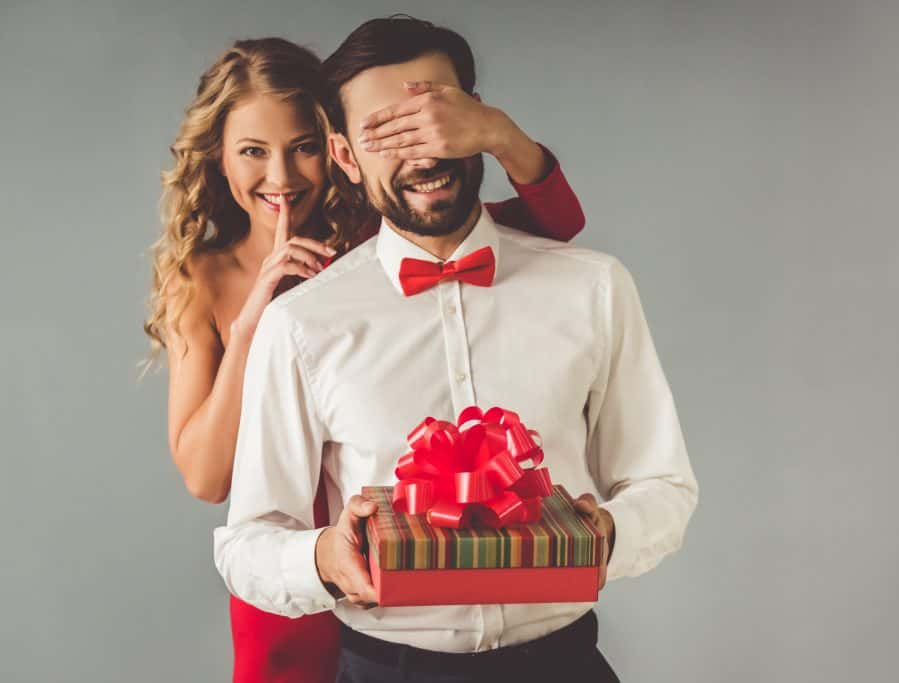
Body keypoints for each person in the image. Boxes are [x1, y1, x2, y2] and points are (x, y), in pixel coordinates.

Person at [214, 16, 699, 683]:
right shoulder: (301, 323)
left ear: (477, 121)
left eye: (436, 116)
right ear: (346, 158)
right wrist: (325, 558)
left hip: (564, 661)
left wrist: (611, 532)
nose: (421, 151)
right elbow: (247, 542)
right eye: (386, 132)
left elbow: (664, 486)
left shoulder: (596, 287)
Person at [144, 36, 587, 683]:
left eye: (300, 147)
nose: (281, 176)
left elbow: (556, 224)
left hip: (412, 572)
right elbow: (207, 477)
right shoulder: (202, 278)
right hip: (295, 574)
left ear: (337, 150)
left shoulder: (388, 236)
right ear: (218, 158)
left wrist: (494, 131)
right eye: (252, 151)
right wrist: (253, 326)